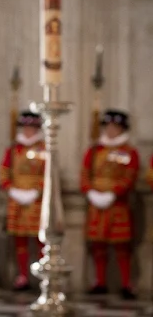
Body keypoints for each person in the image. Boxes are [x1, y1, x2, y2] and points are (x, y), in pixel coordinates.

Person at [80, 109, 139, 299]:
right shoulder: (94, 150)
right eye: (108, 127)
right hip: (96, 205)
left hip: (118, 205)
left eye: (116, 127)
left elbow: (130, 175)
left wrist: (114, 193)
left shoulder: (129, 151)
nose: (111, 130)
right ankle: (100, 282)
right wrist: (90, 191)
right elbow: (84, 173)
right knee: (98, 246)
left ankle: (126, 284)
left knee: (121, 246)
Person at [0, 110, 46, 291]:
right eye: (25, 128)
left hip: (37, 200)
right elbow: (4, 171)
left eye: (32, 128)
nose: (28, 131)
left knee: (40, 240)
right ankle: (22, 276)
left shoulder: (44, 148)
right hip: (16, 198)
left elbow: (49, 172)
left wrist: (38, 190)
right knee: (19, 240)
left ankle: (44, 278)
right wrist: (11, 188)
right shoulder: (13, 149)